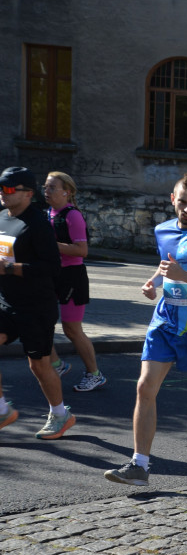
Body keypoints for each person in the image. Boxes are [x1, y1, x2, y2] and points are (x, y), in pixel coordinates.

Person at [104, 173, 187, 485]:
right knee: (144, 387)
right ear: (172, 200)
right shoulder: (162, 230)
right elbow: (168, 265)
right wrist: (153, 282)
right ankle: (139, 465)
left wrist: (184, 276)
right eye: (183, 202)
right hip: (165, 322)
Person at [0, 166, 72, 439]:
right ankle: (2, 411)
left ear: (28, 193)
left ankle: (61, 415)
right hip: (6, 302)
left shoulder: (38, 224)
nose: (3, 193)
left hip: (35, 307)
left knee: (39, 365)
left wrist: (9, 269)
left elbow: (52, 267)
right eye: (0, 188)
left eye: (9, 189)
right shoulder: (1, 218)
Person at [43, 172, 106, 392]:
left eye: (52, 187)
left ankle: (94, 374)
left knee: (71, 329)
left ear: (67, 192)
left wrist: (50, 244)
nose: (47, 191)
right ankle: (57, 365)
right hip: (51, 275)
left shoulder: (73, 216)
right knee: (39, 321)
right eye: (45, 187)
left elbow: (82, 250)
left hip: (72, 277)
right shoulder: (46, 213)